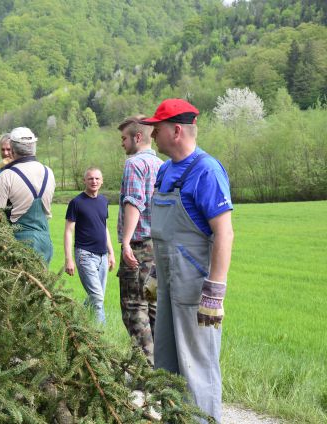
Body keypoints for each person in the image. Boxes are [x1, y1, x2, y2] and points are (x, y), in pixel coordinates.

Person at [140, 99, 234, 423]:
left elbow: (224, 233)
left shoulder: (206, 170)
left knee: (197, 372)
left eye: (158, 128)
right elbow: (165, 234)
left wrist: (214, 292)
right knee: (166, 366)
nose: (152, 134)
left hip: (196, 292)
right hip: (167, 286)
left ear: (176, 130)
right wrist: (155, 272)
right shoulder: (165, 171)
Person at [116, 115, 164, 365]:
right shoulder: (162, 165)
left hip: (139, 246)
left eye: (124, 138)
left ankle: (147, 370)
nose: (122, 143)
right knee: (154, 307)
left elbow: (133, 201)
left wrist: (125, 242)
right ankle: (164, 367)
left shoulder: (135, 164)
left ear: (137, 137)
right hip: (158, 246)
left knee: (134, 309)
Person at [0, 127, 55, 264]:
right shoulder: (48, 172)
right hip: (45, 241)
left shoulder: (6, 176)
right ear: (34, 147)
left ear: (13, 149)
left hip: (19, 242)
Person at [64, 167, 115, 323]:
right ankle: (102, 336)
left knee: (96, 297)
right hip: (85, 254)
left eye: (97, 179)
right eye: (90, 178)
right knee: (98, 298)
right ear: (84, 181)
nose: (94, 181)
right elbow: (68, 231)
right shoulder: (76, 202)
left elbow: (104, 227)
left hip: (102, 256)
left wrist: (111, 253)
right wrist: (69, 259)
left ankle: (76, 316)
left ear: (102, 181)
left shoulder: (103, 201)